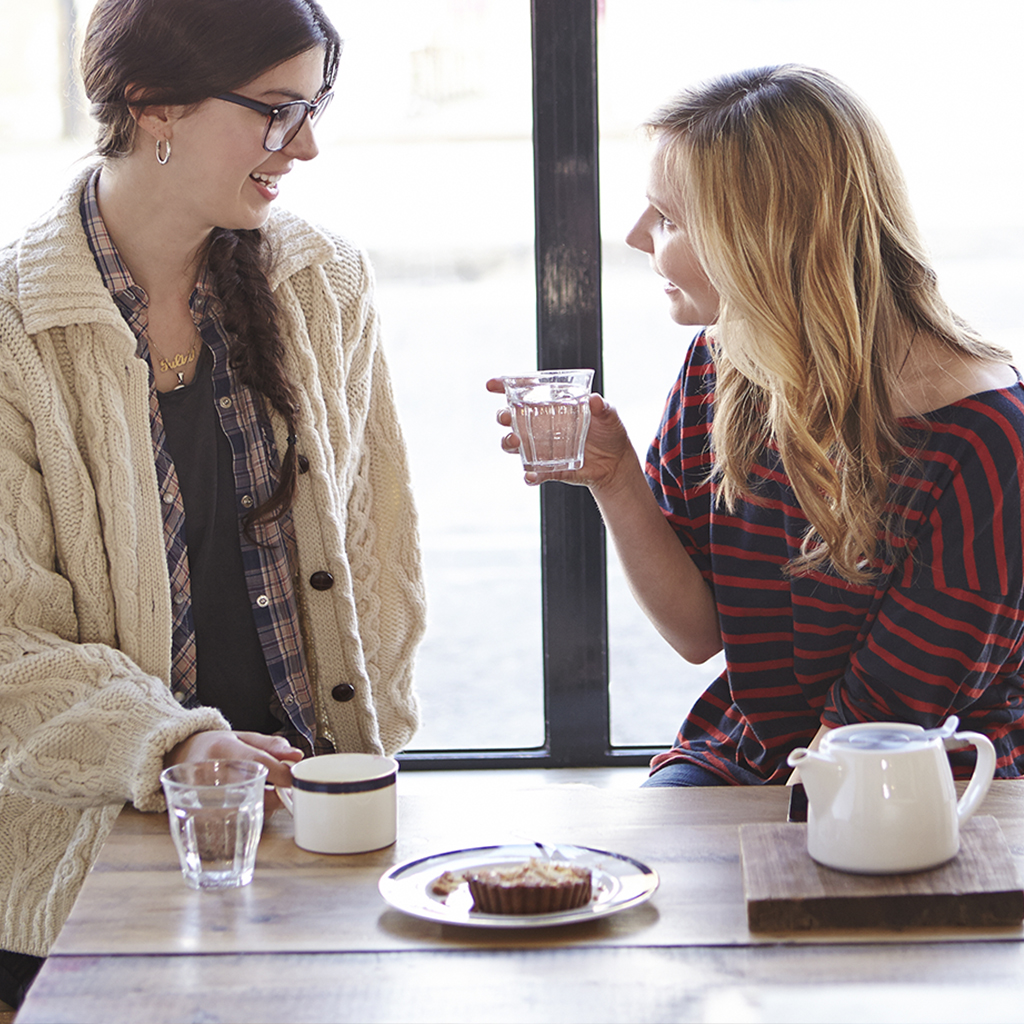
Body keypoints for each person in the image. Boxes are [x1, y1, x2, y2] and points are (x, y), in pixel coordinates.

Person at [0, 0, 425, 1006]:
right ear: (155, 106)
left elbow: (379, 554)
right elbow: (10, 642)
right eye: (278, 110)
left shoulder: (324, 282)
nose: (307, 145)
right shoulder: (17, 329)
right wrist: (180, 741)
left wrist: (367, 778)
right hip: (88, 863)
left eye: (313, 107)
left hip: (313, 838)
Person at [489, 64, 1024, 789]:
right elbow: (698, 634)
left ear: (766, 237)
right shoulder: (721, 365)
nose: (634, 236)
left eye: (670, 219)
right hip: (759, 750)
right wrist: (614, 480)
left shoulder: (987, 437)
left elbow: (881, 725)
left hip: (927, 778)